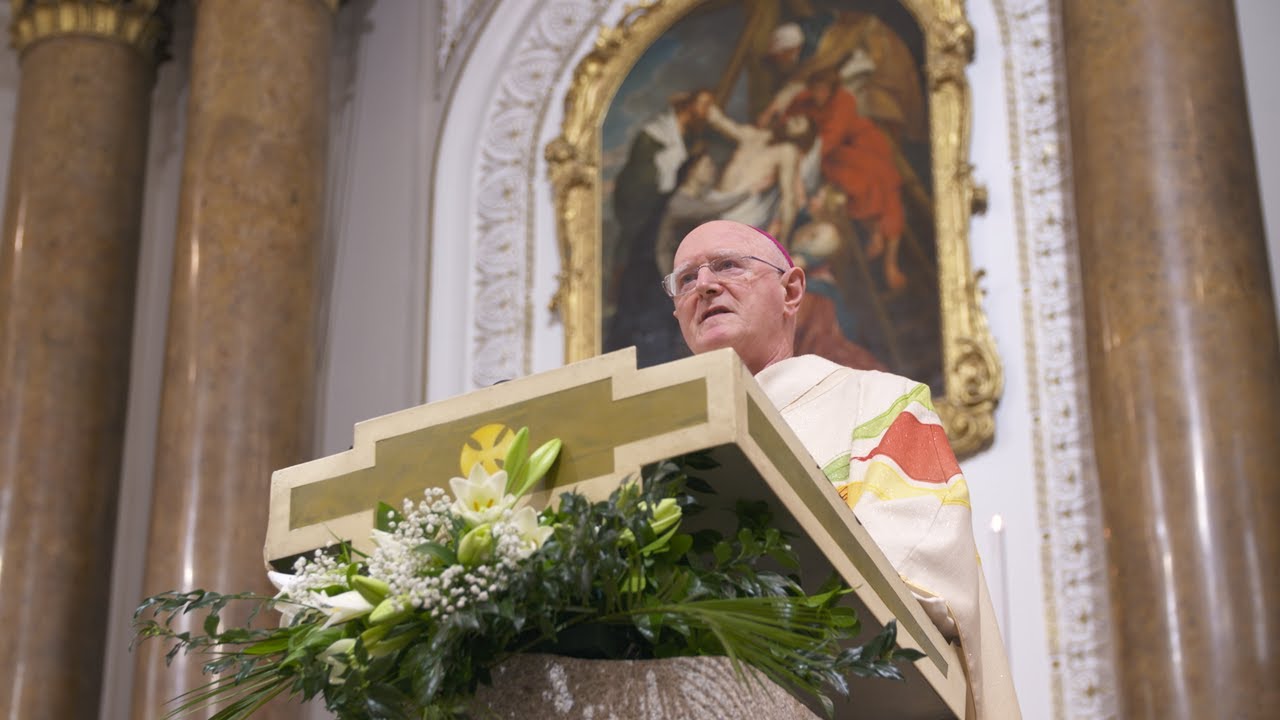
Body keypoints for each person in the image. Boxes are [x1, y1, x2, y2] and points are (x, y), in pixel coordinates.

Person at [665, 219, 1021, 720]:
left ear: (791, 291)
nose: (704, 285)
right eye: (685, 280)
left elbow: (919, 566)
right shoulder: (665, 440)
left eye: (727, 265)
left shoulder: (880, 403)